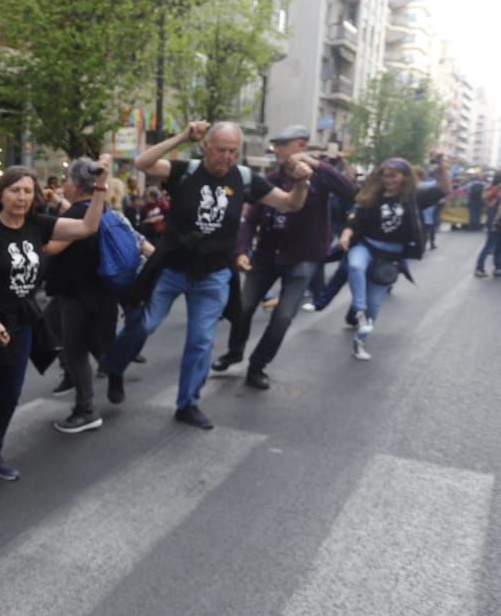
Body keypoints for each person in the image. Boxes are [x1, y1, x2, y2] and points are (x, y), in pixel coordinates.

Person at [98, 121, 312, 431]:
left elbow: (291, 203)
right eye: (220, 150)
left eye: (232, 151)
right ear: (206, 147)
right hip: (172, 267)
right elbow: (142, 163)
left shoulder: (246, 179)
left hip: (213, 274)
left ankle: (188, 404)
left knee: (201, 341)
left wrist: (301, 182)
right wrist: (183, 136)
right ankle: (115, 366)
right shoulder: (184, 170)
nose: (226, 157)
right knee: (144, 324)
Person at [0, 160, 107, 476]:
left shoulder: (39, 224)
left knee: (11, 391)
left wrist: (101, 187)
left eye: (27, 191)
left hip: (21, 319)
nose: (21, 197)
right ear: (1, 195)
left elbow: (88, 227)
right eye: (14, 191)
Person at [212, 124, 355, 390]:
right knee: (242, 307)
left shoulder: (321, 176)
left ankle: (257, 366)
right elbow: (250, 218)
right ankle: (235, 352)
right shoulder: (272, 178)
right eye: (275, 144)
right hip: (266, 255)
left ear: (300, 146)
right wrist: (241, 250)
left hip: (303, 259)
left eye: (281, 144)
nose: (275, 149)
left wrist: (317, 165)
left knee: (283, 316)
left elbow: (350, 191)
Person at [45, 157, 145, 432]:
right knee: (98, 344)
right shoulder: (103, 210)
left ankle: (86, 409)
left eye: (67, 180)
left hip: (76, 294)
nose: (64, 184)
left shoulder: (75, 214)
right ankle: (114, 370)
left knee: (74, 349)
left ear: (76, 185)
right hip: (105, 290)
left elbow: (52, 248)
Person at [337, 159, 428, 361]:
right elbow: (355, 219)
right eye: (385, 175)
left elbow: (444, 189)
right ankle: (359, 310)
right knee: (355, 265)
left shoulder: (413, 198)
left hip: (389, 257)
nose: (388, 179)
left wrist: (440, 165)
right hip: (366, 246)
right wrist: (346, 233)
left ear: (404, 177)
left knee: (375, 304)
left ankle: (360, 342)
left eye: (393, 175)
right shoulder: (371, 196)